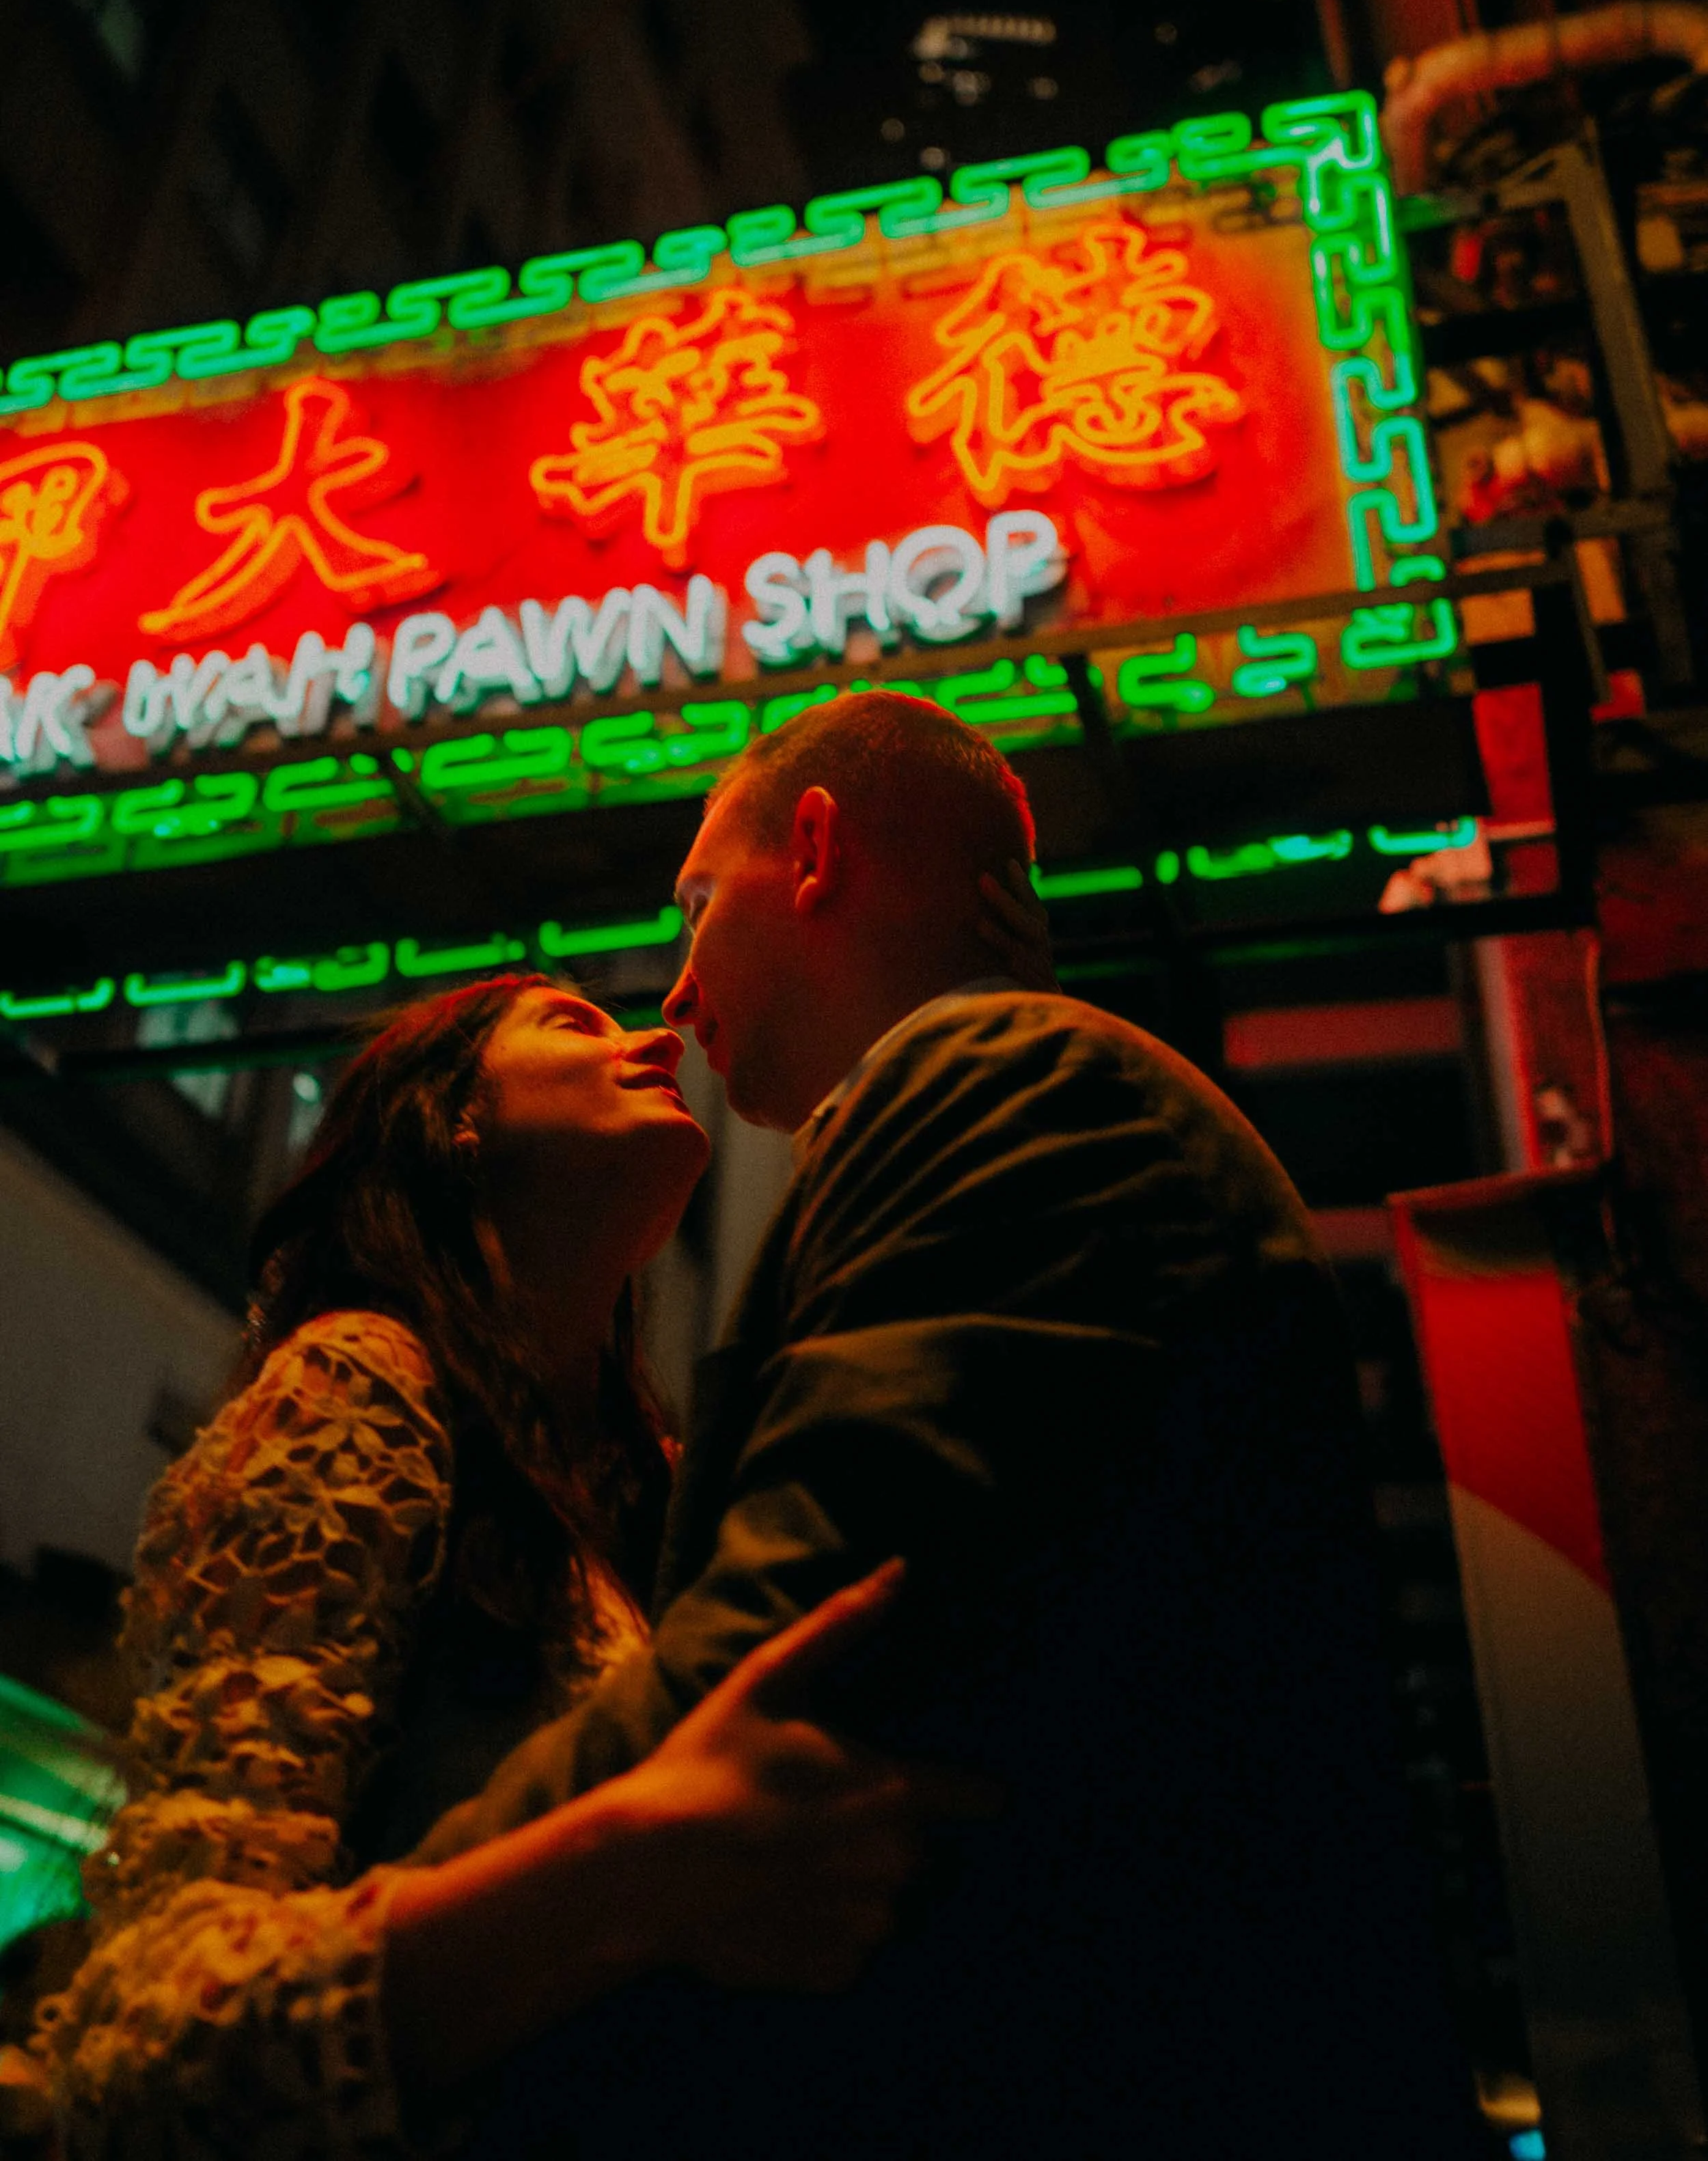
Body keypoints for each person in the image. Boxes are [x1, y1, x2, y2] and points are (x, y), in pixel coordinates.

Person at [417, 691, 1480, 2161]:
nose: (669, 995)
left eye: (694, 904)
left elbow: (792, 1652)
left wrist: (360, 1965)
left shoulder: (998, 1080)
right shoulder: (980, 1095)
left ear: (811, 847)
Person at [3, 978, 989, 2161]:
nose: (654, 1035)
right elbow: (156, 2034)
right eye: (574, 1021)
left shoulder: (639, 1497)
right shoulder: (359, 1383)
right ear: (453, 1118)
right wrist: (635, 1864)